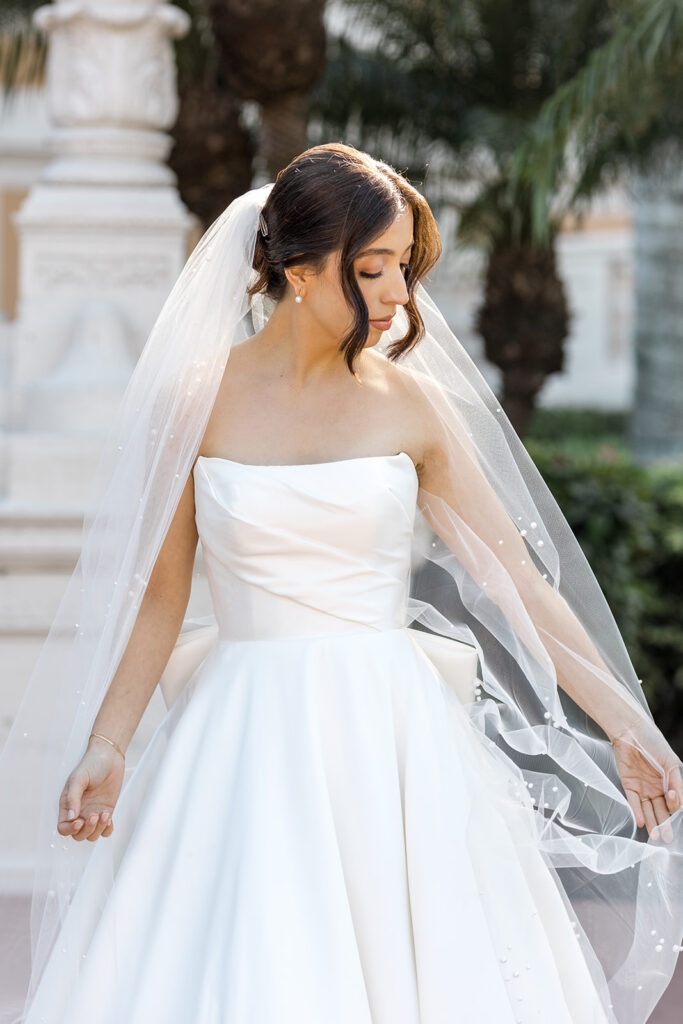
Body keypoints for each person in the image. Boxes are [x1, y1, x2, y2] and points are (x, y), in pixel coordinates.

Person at [3, 142, 682, 1024]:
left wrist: (627, 725)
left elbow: (511, 578)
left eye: (402, 266)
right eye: (374, 268)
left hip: (394, 741)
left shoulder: (410, 404)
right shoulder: (195, 403)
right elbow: (163, 595)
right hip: (239, 737)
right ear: (296, 268)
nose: (401, 293)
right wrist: (108, 743)